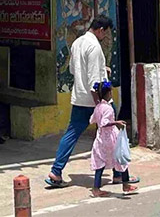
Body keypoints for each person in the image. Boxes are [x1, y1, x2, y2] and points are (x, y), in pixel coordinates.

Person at [46, 15, 112, 188]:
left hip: (79, 97)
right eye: (105, 33)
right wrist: (101, 103)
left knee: (72, 133)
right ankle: (120, 173)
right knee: (114, 133)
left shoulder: (77, 43)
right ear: (101, 30)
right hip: (95, 99)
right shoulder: (95, 47)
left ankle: (56, 170)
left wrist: (102, 69)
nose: (105, 37)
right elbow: (94, 82)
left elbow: (74, 69)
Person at [89, 80, 136, 197]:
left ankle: (96, 188)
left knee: (99, 162)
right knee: (121, 158)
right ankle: (126, 184)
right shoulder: (108, 108)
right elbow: (105, 122)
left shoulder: (98, 107)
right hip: (110, 137)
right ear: (108, 93)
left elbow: (92, 120)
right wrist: (116, 122)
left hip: (100, 138)